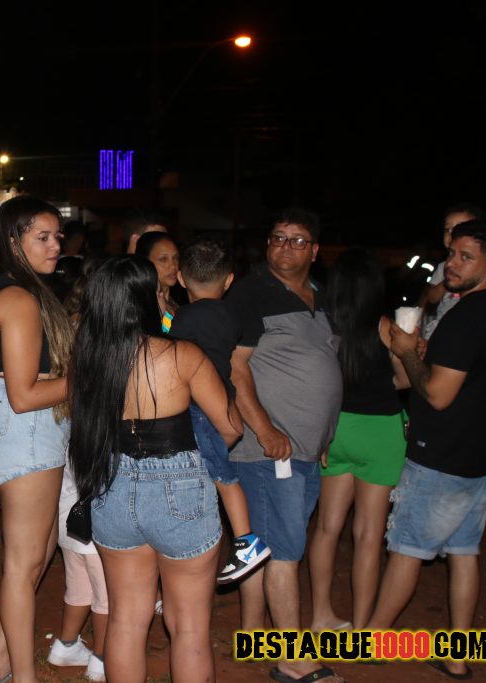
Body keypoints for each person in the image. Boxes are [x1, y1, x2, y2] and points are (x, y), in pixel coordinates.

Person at [68, 255, 241, 683]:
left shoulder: (88, 359)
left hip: (111, 485)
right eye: (160, 291)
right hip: (179, 489)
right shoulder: (182, 355)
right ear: (146, 298)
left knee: (126, 620)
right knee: (189, 627)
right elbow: (231, 428)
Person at [368, 221, 486, 679]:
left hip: (442, 457)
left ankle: (371, 642)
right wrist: (423, 352)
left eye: (466, 257)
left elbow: (436, 395)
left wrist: (405, 350)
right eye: (451, 253)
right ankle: (456, 656)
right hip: (482, 455)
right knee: (464, 551)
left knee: (407, 549)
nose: (451, 264)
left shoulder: (466, 317)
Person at [224, 207, 344, 683]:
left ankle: (254, 634)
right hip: (269, 449)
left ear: (314, 250)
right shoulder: (251, 292)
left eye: (297, 240)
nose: (284, 246)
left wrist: (325, 434)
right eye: (277, 237)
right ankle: (292, 658)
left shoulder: (321, 296)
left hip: (306, 449)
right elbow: (236, 368)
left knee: (273, 542)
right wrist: (265, 429)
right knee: (285, 548)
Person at [0, 195, 73, 683]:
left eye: (57, 236)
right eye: (43, 237)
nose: (56, 246)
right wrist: (91, 376)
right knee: (23, 563)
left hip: (11, 424)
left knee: (38, 553)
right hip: (23, 428)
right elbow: (26, 394)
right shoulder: (19, 299)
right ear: (14, 241)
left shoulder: (0, 287)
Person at [308, 248, 409, 631]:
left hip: (336, 430)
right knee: (368, 535)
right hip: (380, 433)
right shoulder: (386, 327)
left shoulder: (323, 324)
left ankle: (321, 615)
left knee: (326, 528)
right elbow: (405, 379)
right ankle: (365, 626)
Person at [168, 239, 268, 584]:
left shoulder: (185, 317)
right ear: (228, 280)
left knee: (223, 477)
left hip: (198, 406)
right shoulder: (230, 316)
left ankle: (246, 541)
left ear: (181, 278)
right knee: (212, 472)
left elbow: (173, 351)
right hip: (221, 400)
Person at [47, 457, 107, 682]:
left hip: (69, 521)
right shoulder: (107, 438)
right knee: (108, 598)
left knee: (78, 588)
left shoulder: (68, 436)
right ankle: (101, 660)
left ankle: (66, 645)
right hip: (97, 525)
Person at [420, 203, 486, 339]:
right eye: (447, 229)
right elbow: (431, 297)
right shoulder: (443, 266)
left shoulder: (484, 263)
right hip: (441, 325)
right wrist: (447, 282)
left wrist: (469, 279)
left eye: (461, 227)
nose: (452, 234)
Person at [134, 231, 178, 332]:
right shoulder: (140, 309)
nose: (173, 266)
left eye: (175, 258)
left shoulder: (176, 306)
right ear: (145, 262)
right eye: (163, 259)